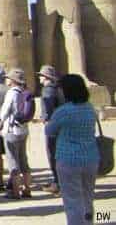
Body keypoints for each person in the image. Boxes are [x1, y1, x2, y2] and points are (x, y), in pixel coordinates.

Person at [46, 74, 99, 225]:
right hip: (90, 158)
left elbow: (49, 131)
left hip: (68, 159)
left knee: (72, 202)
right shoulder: (90, 108)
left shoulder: (63, 111)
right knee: (88, 198)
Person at [0, 68, 32, 200]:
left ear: (12, 81)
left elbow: (4, 112)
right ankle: (27, 189)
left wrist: (1, 122)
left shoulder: (11, 93)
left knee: (13, 161)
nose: (6, 80)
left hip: (12, 130)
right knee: (23, 159)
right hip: (23, 129)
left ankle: (15, 192)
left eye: (8, 78)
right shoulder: (25, 92)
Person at [38, 65, 64, 195]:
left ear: (46, 77)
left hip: (52, 126)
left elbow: (49, 108)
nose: (40, 77)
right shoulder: (59, 89)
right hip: (60, 125)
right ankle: (58, 181)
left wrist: (45, 117)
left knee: (53, 155)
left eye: (41, 75)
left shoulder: (47, 90)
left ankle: (58, 183)